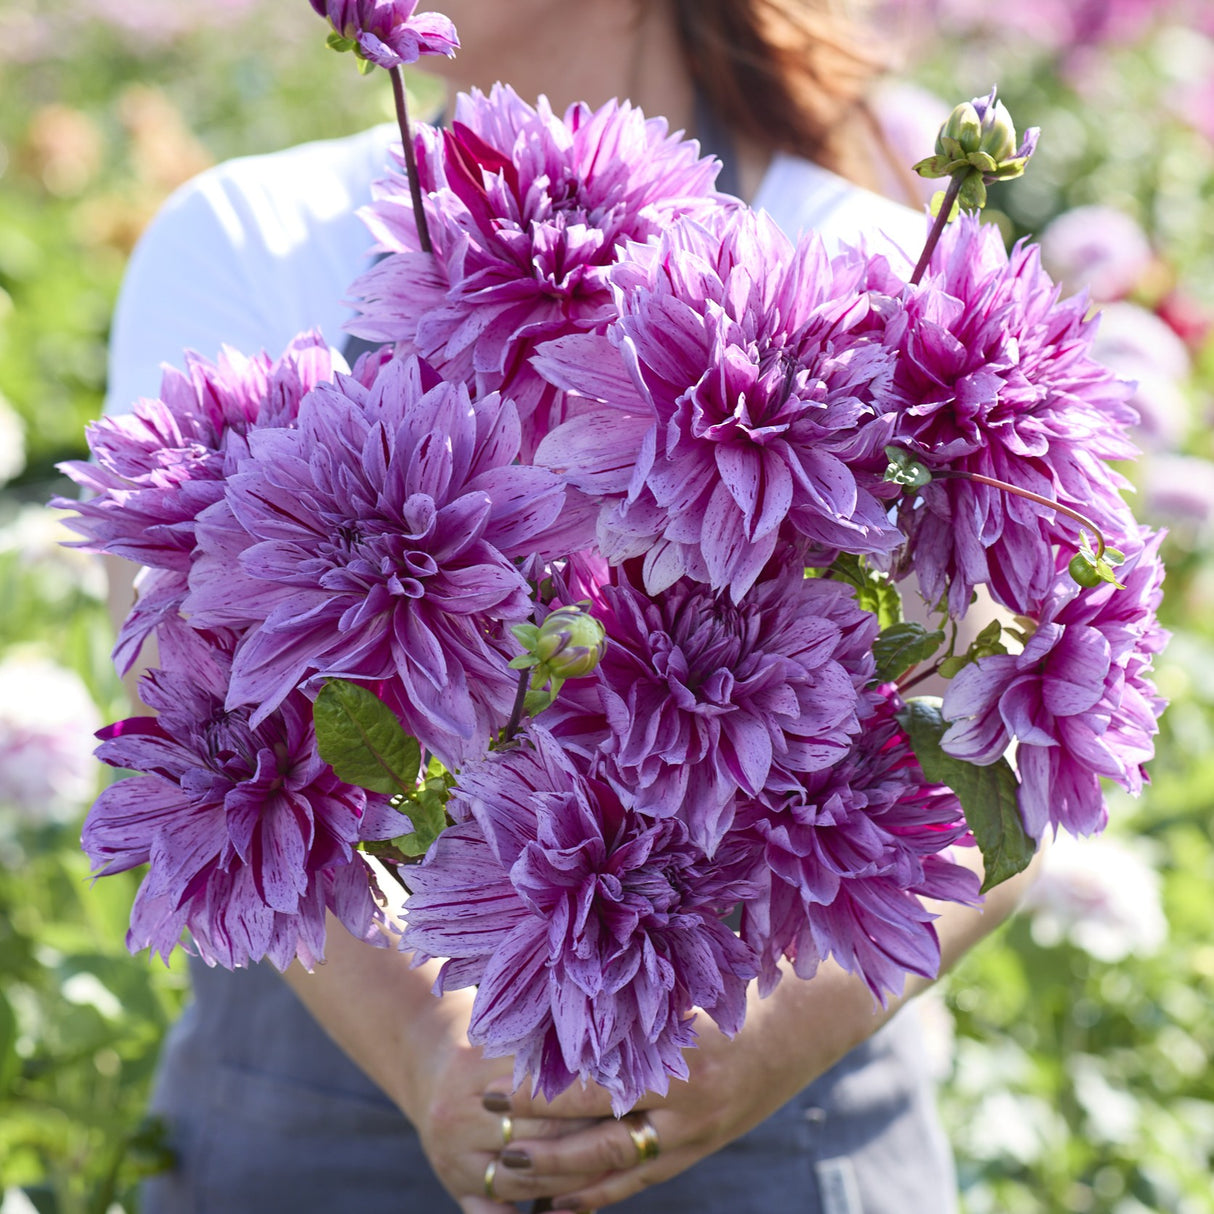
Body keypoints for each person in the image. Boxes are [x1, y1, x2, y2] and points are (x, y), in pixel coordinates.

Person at [103, 2, 1039, 1210]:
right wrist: (436, 1053)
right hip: (328, 1105)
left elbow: (993, 767)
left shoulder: (875, 263)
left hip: (766, 1115)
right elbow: (178, 701)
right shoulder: (242, 230)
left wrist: (738, 1061)